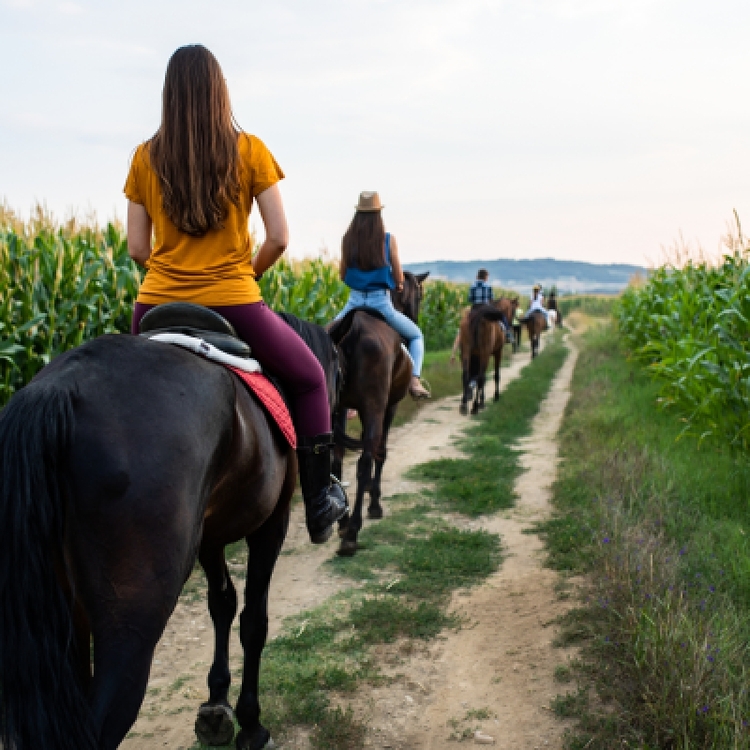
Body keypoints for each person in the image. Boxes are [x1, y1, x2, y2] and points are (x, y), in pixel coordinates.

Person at [124, 44, 347, 545]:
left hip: (154, 306)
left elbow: (138, 247)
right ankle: (317, 500)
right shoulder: (250, 151)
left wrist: (172, 271)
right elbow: (279, 238)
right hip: (232, 301)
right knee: (312, 379)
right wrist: (243, 274)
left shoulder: (144, 157)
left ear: (169, 95)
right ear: (220, 91)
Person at [334, 191, 430, 400]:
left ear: (357, 214)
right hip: (381, 304)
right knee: (416, 336)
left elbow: (343, 275)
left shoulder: (347, 240)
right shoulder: (388, 240)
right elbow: (398, 276)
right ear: (379, 214)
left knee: (326, 338)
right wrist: (399, 285)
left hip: (354, 303)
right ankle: (414, 380)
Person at [468, 269, 514, 344]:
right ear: (485, 277)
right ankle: (508, 334)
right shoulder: (488, 286)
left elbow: (470, 299)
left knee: (466, 321)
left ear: (478, 276)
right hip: (485, 308)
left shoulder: (472, 286)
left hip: (475, 308)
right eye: (487, 276)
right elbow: (491, 299)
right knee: (501, 316)